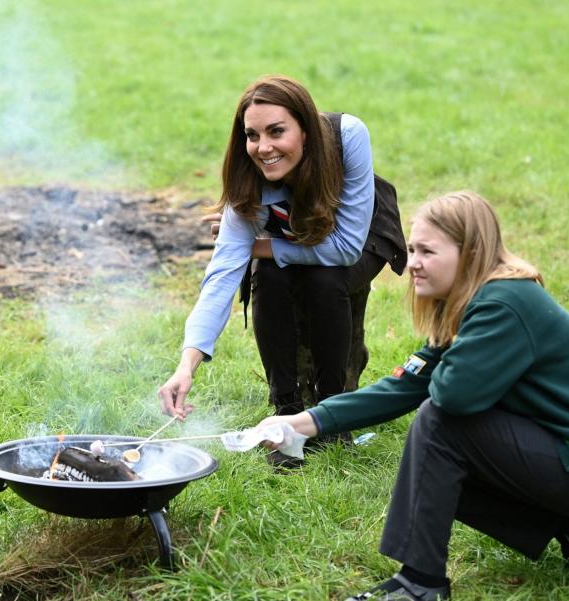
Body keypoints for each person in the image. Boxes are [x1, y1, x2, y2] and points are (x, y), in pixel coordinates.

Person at [255, 191, 569, 600]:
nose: (412, 263)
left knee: (438, 427)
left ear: (471, 253)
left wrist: (442, 352)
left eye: (428, 251)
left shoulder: (503, 303)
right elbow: (405, 385)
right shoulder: (476, 300)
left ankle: (421, 584)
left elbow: (450, 397)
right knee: (432, 470)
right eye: (411, 249)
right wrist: (300, 424)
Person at [159, 76, 404, 457]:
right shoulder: (248, 185)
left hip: (360, 237)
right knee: (268, 275)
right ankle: (286, 415)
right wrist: (186, 365)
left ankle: (332, 415)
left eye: (276, 131)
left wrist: (261, 245)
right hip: (292, 233)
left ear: (305, 130)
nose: (263, 147)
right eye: (252, 135)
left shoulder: (347, 135)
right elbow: (221, 277)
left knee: (322, 278)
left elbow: (344, 248)